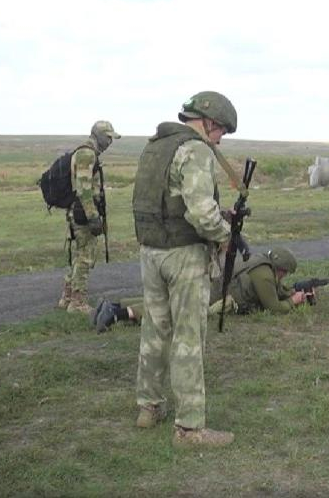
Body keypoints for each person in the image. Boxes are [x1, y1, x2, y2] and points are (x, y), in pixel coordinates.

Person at [132, 90, 237, 448]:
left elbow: (167, 201)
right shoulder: (195, 150)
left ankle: (149, 408)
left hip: (151, 251)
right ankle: (190, 429)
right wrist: (226, 236)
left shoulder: (156, 146)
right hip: (183, 255)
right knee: (189, 337)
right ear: (207, 122)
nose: (221, 137)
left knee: (154, 330)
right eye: (221, 129)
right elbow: (201, 213)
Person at [92, 247, 312, 332]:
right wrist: (295, 301)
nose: (283, 277)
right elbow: (274, 306)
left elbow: (274, 289)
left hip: (210, 285)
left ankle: (115, 304)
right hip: (214, 296)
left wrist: (292, 291)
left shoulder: (260, 263)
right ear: (280, 268)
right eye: (284, 273)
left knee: (168, 299)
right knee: (174, 311)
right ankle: (119, 314)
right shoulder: (264, 274)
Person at [56, 121, 121, 314]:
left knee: (79, 255)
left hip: (79, 211)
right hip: (83, 214)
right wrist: (93, 217)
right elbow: (84, 190)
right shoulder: (86, 154)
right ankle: (78, 302)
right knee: (85, 257)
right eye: (107, 137)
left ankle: (67, 297)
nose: (110, 141)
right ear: (98, 135)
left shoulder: (87, 153)